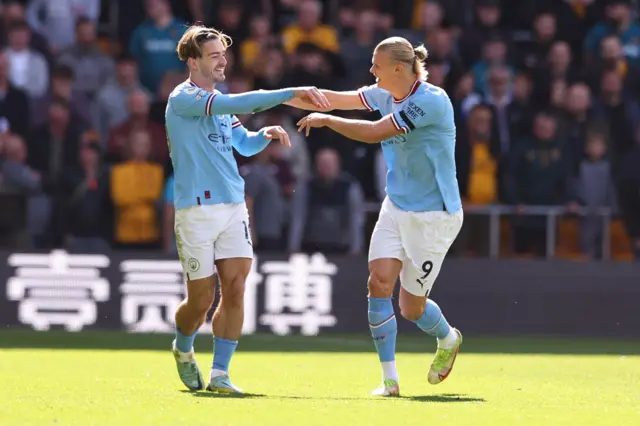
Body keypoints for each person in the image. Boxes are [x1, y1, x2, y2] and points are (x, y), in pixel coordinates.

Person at [292, 36, 463, 397]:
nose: (371, 71)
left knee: (411, 307)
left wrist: (327, 120)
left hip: (433, 215)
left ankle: (448, 338)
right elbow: (343, 98)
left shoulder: (432, 101)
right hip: (396, 205)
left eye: (377, 66)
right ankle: (389, 380)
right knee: (378, 283)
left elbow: (374, 132)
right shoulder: (386, 93)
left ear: (398, 69)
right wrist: (284, 95)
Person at [166, 24, 329, 394]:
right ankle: (183, 346)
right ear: (193, 62)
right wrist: (290, 94)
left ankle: (221, 374)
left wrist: (264, 135)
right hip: (196, 210)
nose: (222, 61)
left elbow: (242, 143)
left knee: (236, 289)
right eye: (214, 55)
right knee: (201, 299)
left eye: (224, 54)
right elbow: (242, 102)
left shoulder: (219, 100)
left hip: (233, 207)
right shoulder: (183, 98)